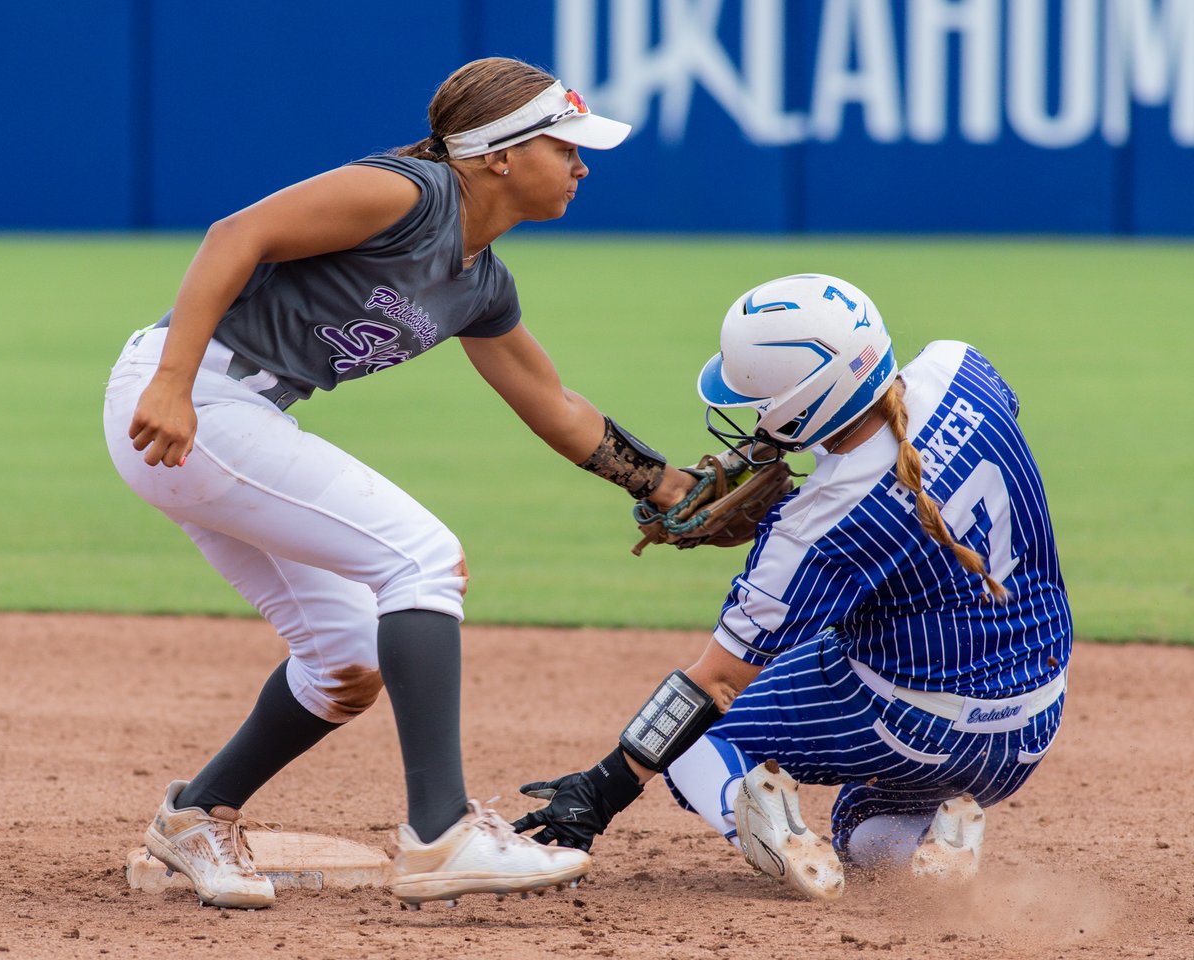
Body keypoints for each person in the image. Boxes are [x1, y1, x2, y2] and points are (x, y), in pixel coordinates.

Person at [102, 56, 697, 911]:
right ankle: (441, 833)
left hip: (232, 416)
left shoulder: (481, 283)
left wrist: (667, 486)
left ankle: (196, 815)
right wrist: (171, 379)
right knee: (422, 560)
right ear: (498, 154)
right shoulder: (411, 193)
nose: (582, 163)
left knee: (345, 658)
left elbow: (557, 406)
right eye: (565, 144)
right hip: (192, 400)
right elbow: (237, 234)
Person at [512, 272, 1072, 900]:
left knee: (700, 749)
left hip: (926, 726)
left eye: (759, 401)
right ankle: (924, 841)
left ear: (804, 403)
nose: (751, 415)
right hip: (1035, 716)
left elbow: (717, 682)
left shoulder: (816, 525)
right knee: (860, 816)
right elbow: (931, 444)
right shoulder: (959, 364)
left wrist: (601, 789)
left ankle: (786, 848)